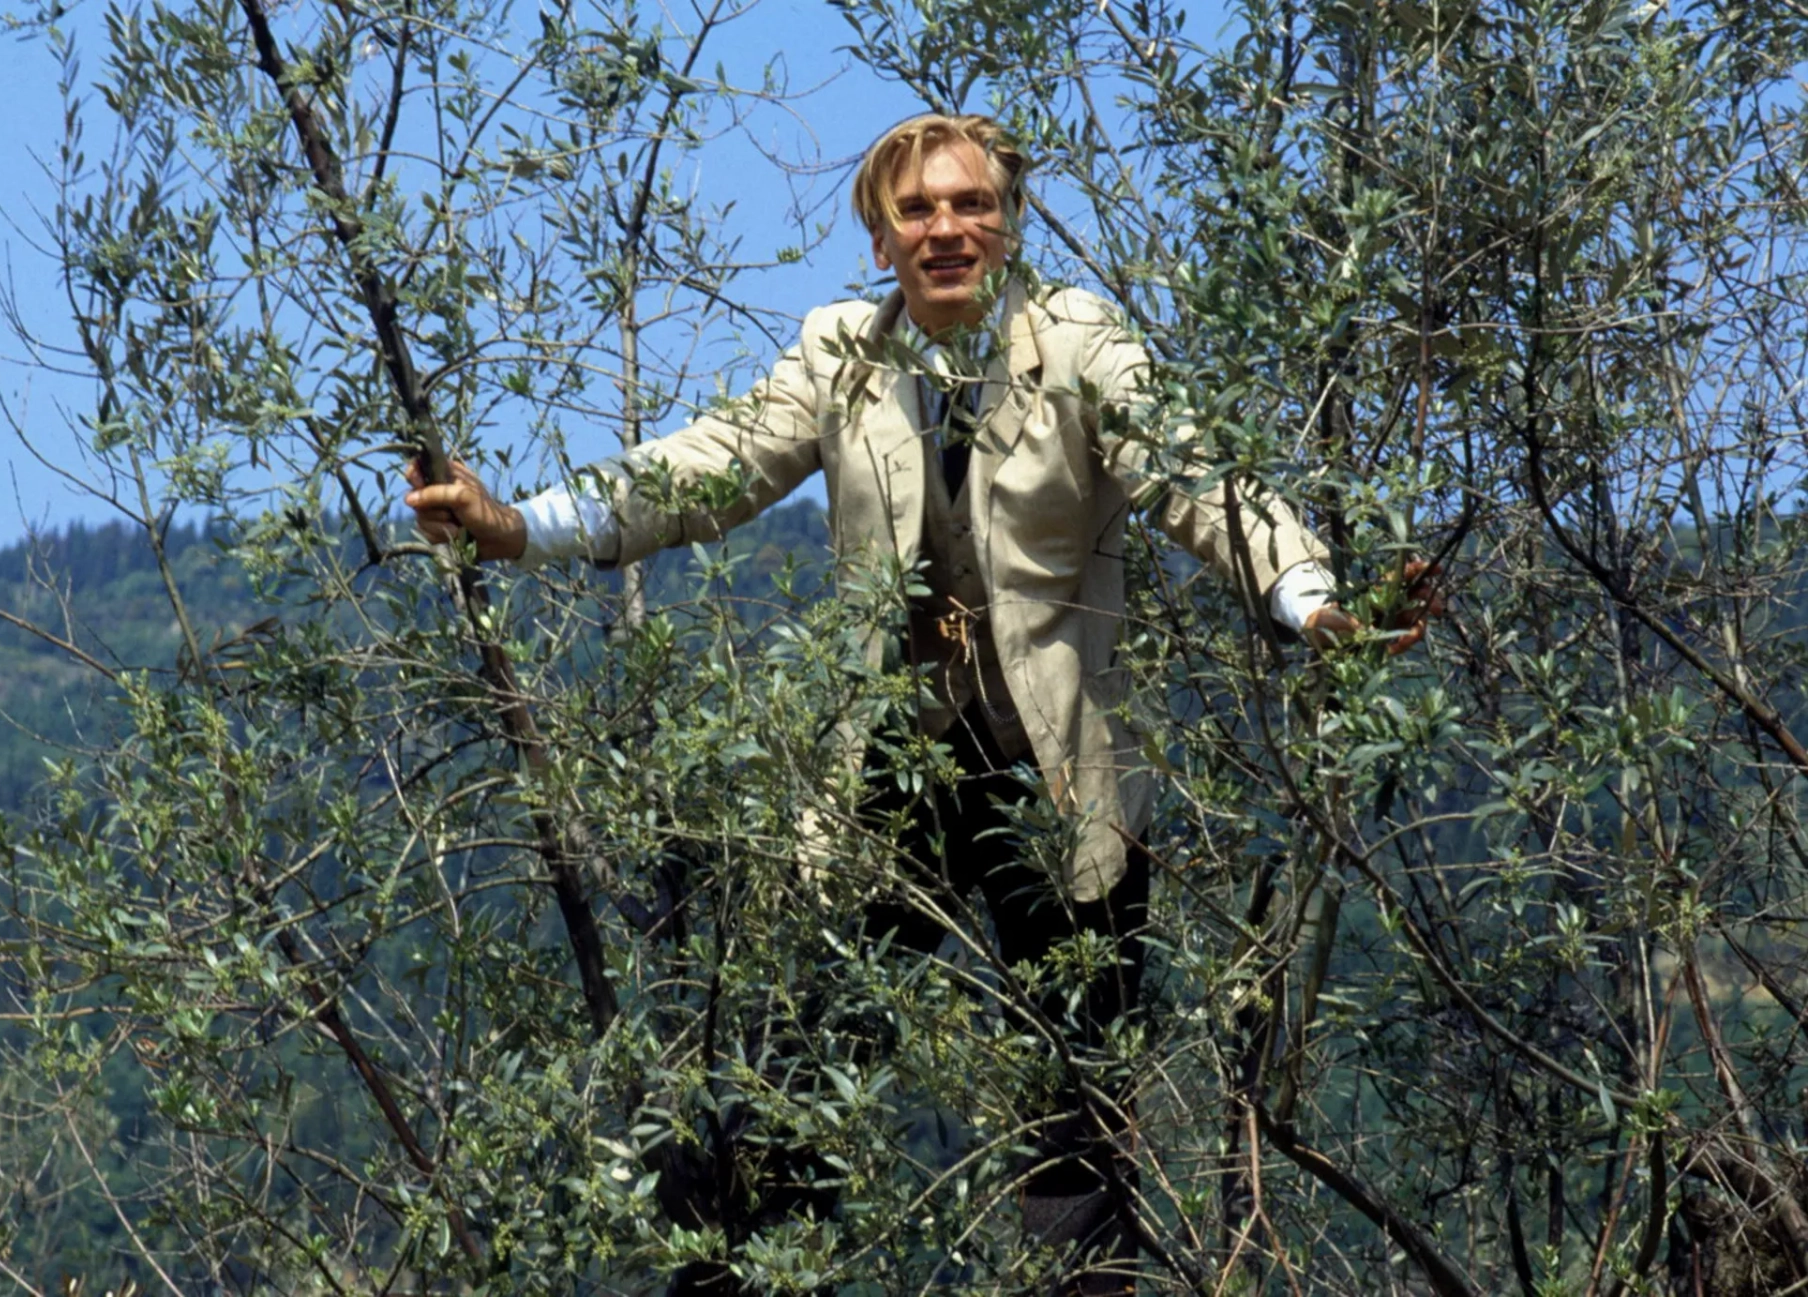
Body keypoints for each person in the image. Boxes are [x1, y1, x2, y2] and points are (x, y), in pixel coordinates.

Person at [407, 113, 1427, 1294]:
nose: (948, 229)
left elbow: (1195, 476)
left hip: (1063, 782)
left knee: (1076, 1094)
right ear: (880, 238)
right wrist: (520, 524)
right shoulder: (840, 352)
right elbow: (705, 467)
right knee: (805, 1072)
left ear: (1010, 223)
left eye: (972, 205)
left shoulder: (1080, 344)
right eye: (919, 210)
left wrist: (1308, 602)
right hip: (887, 776)